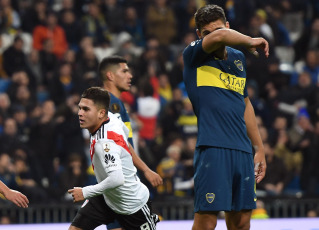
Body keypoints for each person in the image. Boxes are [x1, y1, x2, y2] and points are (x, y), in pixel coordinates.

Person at [182, 4, 268, 230]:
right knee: (207, 222)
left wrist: (258, 147)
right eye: (207, 34)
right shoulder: (193, 55)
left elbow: (245, 103)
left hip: (241, 150)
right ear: (199, 36)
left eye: (219, 30)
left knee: (241, 223)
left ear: (229, 27)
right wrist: (251, 40)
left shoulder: (238, 59)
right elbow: (220, 36)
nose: (215, 38)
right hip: (213, 148)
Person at [68, 87, 159, 230]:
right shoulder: (113, 118)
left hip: (132, 205)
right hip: (106, 197)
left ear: (101, 113)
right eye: (79, 108)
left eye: (86, 109)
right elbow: (126, 142)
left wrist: (85, 192)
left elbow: (117, 179)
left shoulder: (104, 143)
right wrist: (146, 169)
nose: (80, 113)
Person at [99, 55, 163, 230]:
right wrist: (146, 170)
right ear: (110, 76)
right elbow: (121, 144)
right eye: (124, 71)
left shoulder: (112, 102)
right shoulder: (111, 103)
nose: (130, 76)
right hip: (121, 181)